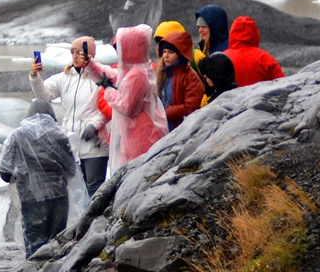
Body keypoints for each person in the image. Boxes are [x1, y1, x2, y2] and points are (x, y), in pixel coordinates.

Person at [0, 98, 79, 260]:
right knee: (57, 247)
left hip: (32, 199)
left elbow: (5, 171)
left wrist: (18, 176)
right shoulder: (60, 135)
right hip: (59, 198)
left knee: (35, 248)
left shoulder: (17, 135)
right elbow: (71, 170)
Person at [32, 36, 109, 196]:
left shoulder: (99, 77)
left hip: (94, 145)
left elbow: (108, 106)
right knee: (77, 193)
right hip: (72, 147)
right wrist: (34, 76)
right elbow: (44, 94)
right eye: (72, 52)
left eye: (79, 52)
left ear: (88, 54)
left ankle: (97, 214)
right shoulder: (64, 77)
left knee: (94, 191)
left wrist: (94, 125)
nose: (74, 56)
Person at [97, 24, 168, 173]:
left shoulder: (137, 74)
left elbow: (128, 108)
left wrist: (109, 90)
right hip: (140, 135)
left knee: (137, 175)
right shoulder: (141, 68)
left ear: (129, 48)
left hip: (140, 137)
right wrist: (91, 64)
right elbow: (112, 74)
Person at [152, 22, 205, 129]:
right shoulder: (162, 73)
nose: (166, 55)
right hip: (163, 127)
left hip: (181, 128)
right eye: (164, 51)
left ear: (179, 54)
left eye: (170, 52)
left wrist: (167, 112)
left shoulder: (190, 76)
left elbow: (191, 106)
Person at [226, 16, 286, 87]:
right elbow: (283, 86)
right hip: (261, 94)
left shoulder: (223, 58)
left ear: (232, 33)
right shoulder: (266, 59)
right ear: (255, 33)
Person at [194, 5, 236, 104]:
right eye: (199, 27)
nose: (200, 30)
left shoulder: (223, 52)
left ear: (214, 27)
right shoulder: (207, 48)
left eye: (204, 26)